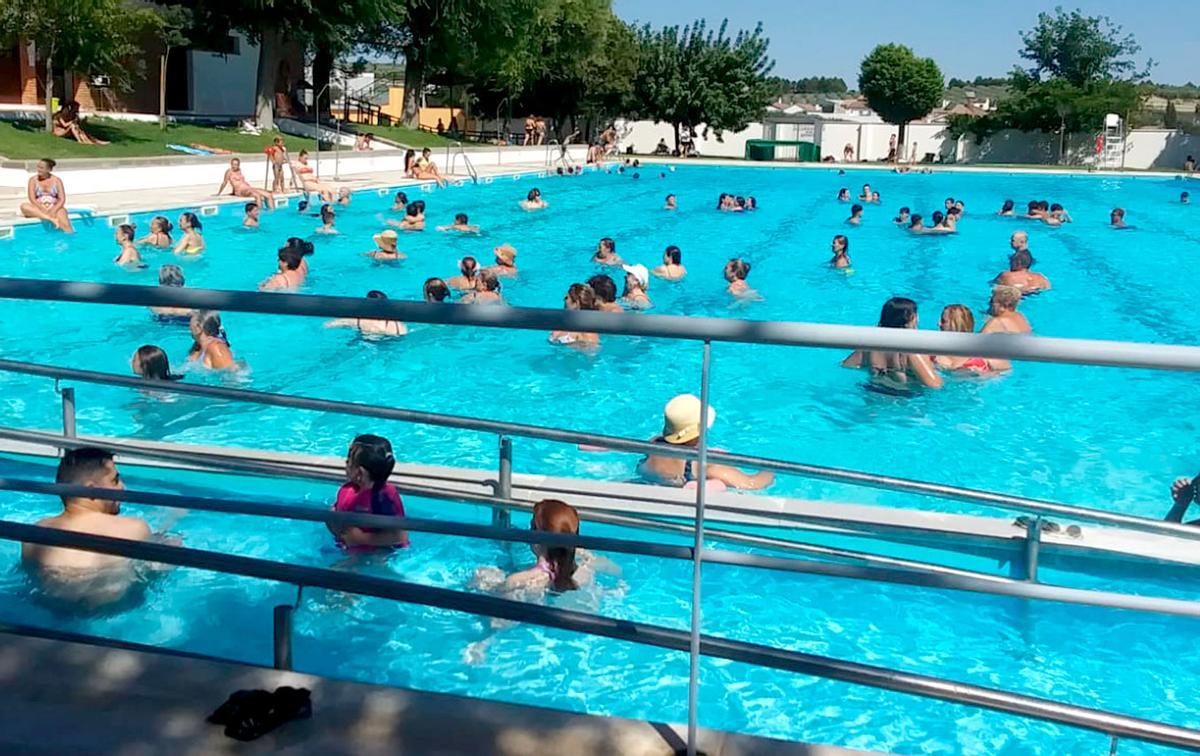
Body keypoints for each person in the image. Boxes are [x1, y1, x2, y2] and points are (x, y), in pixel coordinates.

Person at [21, 448, 156, 607]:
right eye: (115, 480)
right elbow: (147, 579)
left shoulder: (33, 536)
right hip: (110, 621)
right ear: (91, 489)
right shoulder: (134, 529)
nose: (122, 487)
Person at [637, 394, 775, 490]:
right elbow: (752, 484)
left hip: (650, 483)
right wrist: (770, 467)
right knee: (717, 485)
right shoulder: (704, 464)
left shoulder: (654, 445)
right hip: (687, 492)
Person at [328, 434, 409, 551]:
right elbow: (334, 514)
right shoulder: (347, 491)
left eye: (348, 461)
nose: (345, 464)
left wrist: (361, 538)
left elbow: (399, 536)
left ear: (360, 473)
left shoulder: (383, 497)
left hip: (382, 553)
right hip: (351, 548)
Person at [841, 298, 943, 390]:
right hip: (904, 401)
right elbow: (935, 385)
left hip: (873, 393)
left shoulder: (870, 344)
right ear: (912, 318)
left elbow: (846, 365)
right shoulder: (912, 349)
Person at [932, 305, 1010, 373]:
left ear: (956, 324)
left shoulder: (985, 351)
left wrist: (982, 376)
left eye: (943, 321)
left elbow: (1005, 372)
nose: (938, 324)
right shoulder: (932, 350)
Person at [19, 158, 74, 232]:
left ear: (49, 169)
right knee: (24, 206)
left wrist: (53, 210)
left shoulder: (57, 180)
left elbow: (62, 199)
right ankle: (51, 219)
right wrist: (42, 208)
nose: (38, 169)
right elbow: (32, 198)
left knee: (66, 225)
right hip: (39, 207)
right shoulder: (33, 180)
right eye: (38, 167)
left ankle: (71, 238)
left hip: (54, 207)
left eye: (41, 168)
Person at [325, 290, 407, 336]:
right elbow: (404, 334)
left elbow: (329, 324)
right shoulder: (397, 323)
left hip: (368, 343)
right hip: (393, 340)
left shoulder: (360, 319)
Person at [549, 284, 600, 349]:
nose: (564, 300)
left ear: (576, 303)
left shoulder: (588, 333)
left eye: (566, 298)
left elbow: (592, 356)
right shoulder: (561, 324)